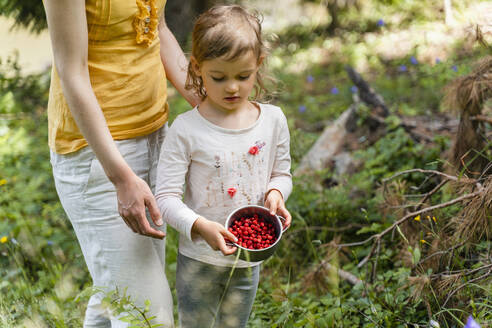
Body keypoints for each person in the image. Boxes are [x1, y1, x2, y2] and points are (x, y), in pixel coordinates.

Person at [42, 0, 199, 326]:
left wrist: (213, 108)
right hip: (99, 157)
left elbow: (157, 29)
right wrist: (121, 178)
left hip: (156, 136)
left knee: (119, 292)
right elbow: (71, 71)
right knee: (149, 315)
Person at [155, 5, 293, 328]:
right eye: (219, 77)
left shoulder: (273, 122)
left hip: (248, 260)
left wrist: (276, 192)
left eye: (243, 76)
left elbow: (282, 174)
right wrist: (200, 226)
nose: (232, 87)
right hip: (199, 261)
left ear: (258, 65)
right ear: (197, 68)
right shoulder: (186, 129)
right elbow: (166, 199)